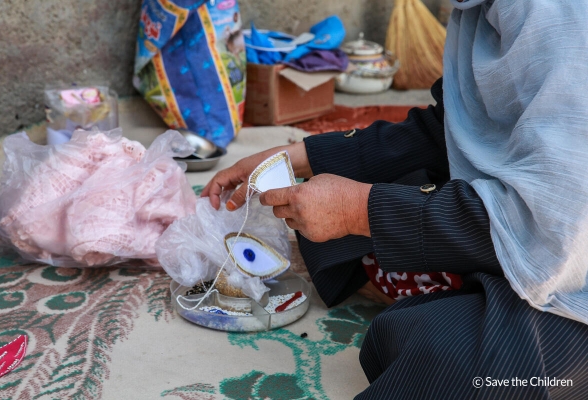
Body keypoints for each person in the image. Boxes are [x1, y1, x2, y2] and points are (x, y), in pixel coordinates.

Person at [202, 0, 588, 398]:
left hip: (570, 256)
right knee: (336, 212)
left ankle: (456, 296)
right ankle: (453, 284)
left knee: (447, 359)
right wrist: (302, 156)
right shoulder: (485, 9)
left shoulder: (562, 19)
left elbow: (554, 229)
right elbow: (446, 129)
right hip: (533, 215)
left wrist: (357, 210)